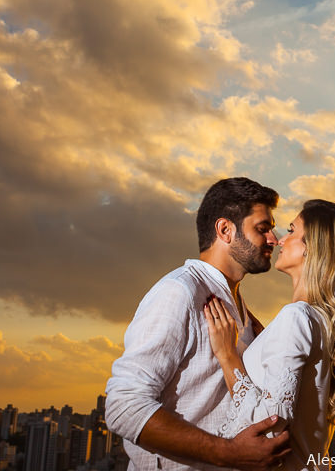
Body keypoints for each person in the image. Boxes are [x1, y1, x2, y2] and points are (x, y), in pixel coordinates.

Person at [105, 177, 292, 471]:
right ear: (225, 230)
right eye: (262, 228)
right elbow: (123, 407)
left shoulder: (237, 304)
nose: (274, 239)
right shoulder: (179, 292)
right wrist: (230, 453)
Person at [202, 199, 335, 471]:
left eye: (292, 230)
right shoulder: (320, 321)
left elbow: (270, 425)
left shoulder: (297, 318)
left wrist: (228, 357)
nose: (280, 240)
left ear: (312, 249)